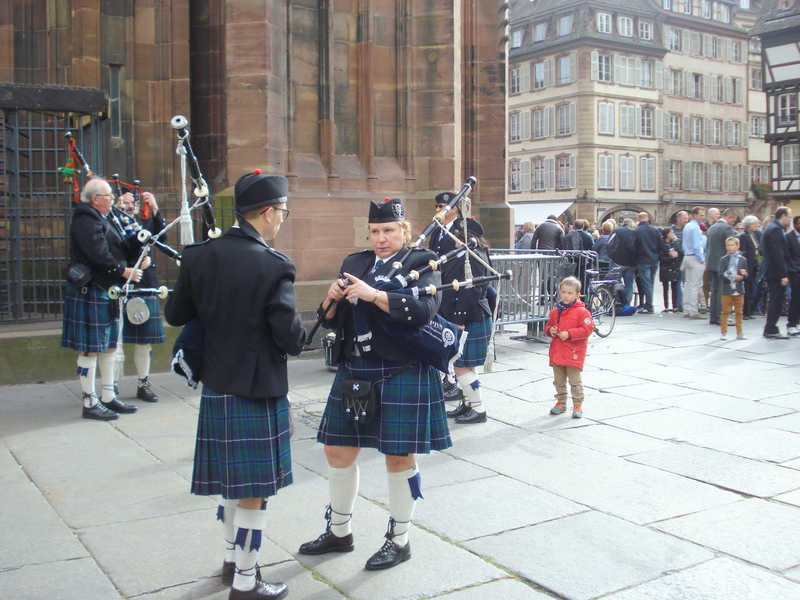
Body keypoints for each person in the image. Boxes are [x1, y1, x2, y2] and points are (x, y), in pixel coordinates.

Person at [165, 171, 306, 600]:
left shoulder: (198, 256)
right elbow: (292, 339)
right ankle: (246, 582)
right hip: (257, 389)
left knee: (233, 486)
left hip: (217, 386)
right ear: (265, 213)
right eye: (281, 212)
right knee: (254, 494)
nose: (282, 219)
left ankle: (232, 562)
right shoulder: (273, 264)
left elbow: (175, 314)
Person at [299, 198, 452, 571]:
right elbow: (335, 323)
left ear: (404, 231)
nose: (381, 239)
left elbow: (422, 312)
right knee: (337, 451)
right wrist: (331, 301)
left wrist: (375, 295)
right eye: (375, 232)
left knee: (399, 457)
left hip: (405, 370)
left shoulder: (422, 262)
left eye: (388, 231)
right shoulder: (355, 263)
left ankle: (399, 539)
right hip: (357, 370)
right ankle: (339, 532)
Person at [61, 177, 145, 421]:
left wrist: (140, 246)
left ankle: (108, 396)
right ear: (95, 199)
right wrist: (123, 271)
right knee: (90, 349)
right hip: (93, 288)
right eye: (108, 195)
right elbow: (98, 254)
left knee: (108, 346)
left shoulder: (105, 218)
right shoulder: (85, 219)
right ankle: (90, 401)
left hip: (107, 289)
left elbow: (118, 246)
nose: (112, 199)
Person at [440, 216, 494, 424]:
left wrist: (458, 319)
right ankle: (469, 404)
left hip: (470, 317)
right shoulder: (466, 254)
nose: (452, 236)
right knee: (465, 366)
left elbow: (472, 291)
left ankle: (479, 410)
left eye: (455, 233)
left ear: (464, 237)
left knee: (461, 366)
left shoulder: (473, 256)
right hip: (467, 316)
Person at [116, 190, 166, 402]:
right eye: (125, 202)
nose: (130, 206)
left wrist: (155, 209)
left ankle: (143, 384)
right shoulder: (112, 221)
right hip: (121, 283)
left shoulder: (144, 223)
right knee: (113, 342)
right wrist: (117, 209)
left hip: (144, 283)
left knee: (144, 341)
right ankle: (111, 388)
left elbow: (162, 238)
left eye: (133, 202)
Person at [546, 277, 594, 419]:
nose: (566, 296)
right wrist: (551, 330)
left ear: (577, 295)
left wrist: (570, 333)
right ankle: (561, 401)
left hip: (574, 352)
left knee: (575, 381)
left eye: (570, 293)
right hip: (558, 351)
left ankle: (577, 404)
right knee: (558, 380)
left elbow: (587, 329)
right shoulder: (555, 311)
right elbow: (548, 326)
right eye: (563, 292)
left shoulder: (582, 312)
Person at [761, 207, 792, 339]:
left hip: (771, 270)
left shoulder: (771, 227)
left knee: (774, 299)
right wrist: (783, 275)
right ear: (783, 216)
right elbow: (777, 254)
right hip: (774, 272)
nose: (790, 219)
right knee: (776, 300)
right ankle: (771, 328)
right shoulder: (776, 229)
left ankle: (771, 327)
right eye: (789, 217)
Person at [705, 208, 737, 326]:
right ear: (729, 217)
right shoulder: (727, 228)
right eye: (733, 220)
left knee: (714, 290)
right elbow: (731, 246)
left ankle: (714, 317)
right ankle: (720, 317)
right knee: (722, 290)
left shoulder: (712, 227)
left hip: (712, 262)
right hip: (723, 263)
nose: (733, 223)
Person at [718, 236, 748, 341]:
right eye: (728, 245)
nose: (730, 247)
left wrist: (744, 274)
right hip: (727, 289)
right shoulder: (724, 259)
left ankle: (740, 332)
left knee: (739, 311)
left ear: (737, 246)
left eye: (732, 245)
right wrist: (732, 277)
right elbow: (720, 274)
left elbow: (746, 276)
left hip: (739, 289)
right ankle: (724, 332)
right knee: (725, 311)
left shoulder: (742, 259)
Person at [633, 213, 662, 314]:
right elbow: (661, 245)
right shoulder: (655, 230)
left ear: (638, 219)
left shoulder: (636, 231)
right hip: (654, 259)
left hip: (642, 260)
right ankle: (649, 302)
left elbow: (633, 246)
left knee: (646, 283)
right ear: (648, 219)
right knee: (651, 283)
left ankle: (649, 305)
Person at [682, 206, 706, 320]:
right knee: (695, 285)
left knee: (688, 285)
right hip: (695, 257)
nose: (702, 217)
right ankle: (693, 310)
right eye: (701, 215)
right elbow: (697, 246)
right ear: (695, 215)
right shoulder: (695, 228)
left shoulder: (688, 226)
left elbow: (684, 244)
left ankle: (687, 309)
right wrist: (702, 259)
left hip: (687, 256)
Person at [738, 215, 762, 319]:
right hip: (747, 265)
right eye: (755, 223)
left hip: (754, 264)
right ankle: (744, 311)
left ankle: (749, 310)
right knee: (746, 288)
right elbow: (743, 251)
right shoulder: (744, 236)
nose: (757, 225)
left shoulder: (754, 235)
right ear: (750, 225)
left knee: (751, 287)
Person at [659, 228, 682, 313]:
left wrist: (677, 255)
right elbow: (661, 258)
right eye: (671, 233)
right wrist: (671, 257)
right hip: (665, 267)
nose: (673, 234)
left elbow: (680, 253)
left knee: (674, 287)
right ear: (666, 234)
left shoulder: (675, 243)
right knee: (665, 287)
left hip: (674, 267)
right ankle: (666, 306)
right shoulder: (662, 245)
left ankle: (675, 306)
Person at [785, 215, 800, 336]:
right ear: (794, 224)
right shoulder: (788, 237)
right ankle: (792, 323)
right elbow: (787, 256)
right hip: (796, 272)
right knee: (796, 299)